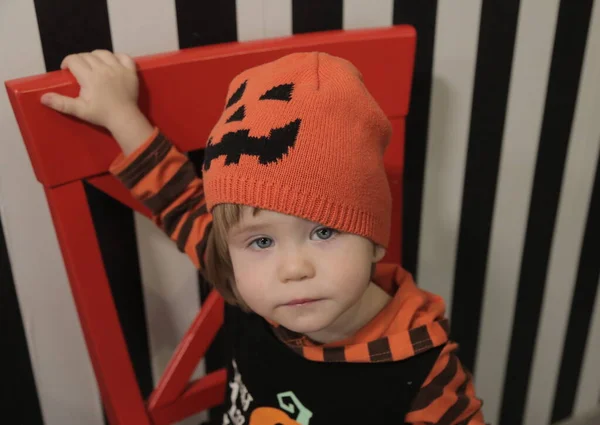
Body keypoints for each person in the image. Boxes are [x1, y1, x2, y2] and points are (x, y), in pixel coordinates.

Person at [41, 49, 485, 425]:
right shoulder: (244, 280)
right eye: (261, 242)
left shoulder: (429, 378)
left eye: (324, 230)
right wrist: (120, 113)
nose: (292, 270)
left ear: (374, 238)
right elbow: (179, 202)